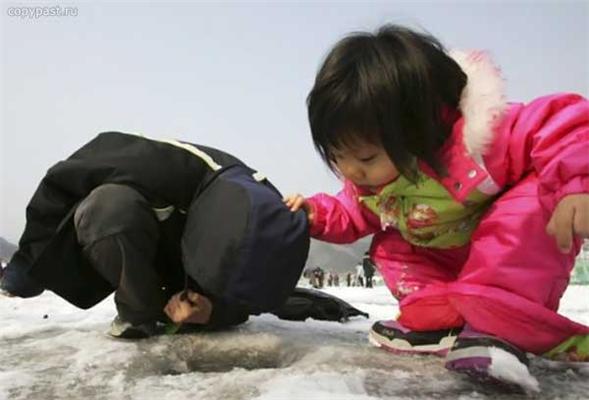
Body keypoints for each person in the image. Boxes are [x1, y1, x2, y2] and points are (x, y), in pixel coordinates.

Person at [284, 24, 589, 385]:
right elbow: (349, 212)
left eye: (365, 157)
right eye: (337, 157)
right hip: (445, 259)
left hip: (503, 256)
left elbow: (563, 124)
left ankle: (498, 325)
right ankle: (442, 320)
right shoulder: (375, 185)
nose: (351, 171)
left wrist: (576, 184)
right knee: (393, 244)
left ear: (417, 128)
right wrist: (315, 214)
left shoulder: (480, 139)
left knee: (525, 209)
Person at [1, 132, 310, 338]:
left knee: (223, 300)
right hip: (141, 257)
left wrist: (213, 312)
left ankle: (189, 308)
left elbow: (250, 297)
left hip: (194, 293)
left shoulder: (271, 220)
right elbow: (59, 184)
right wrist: (24, 270)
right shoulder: (160, 163)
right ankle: (139, 311)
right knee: (107, 207)